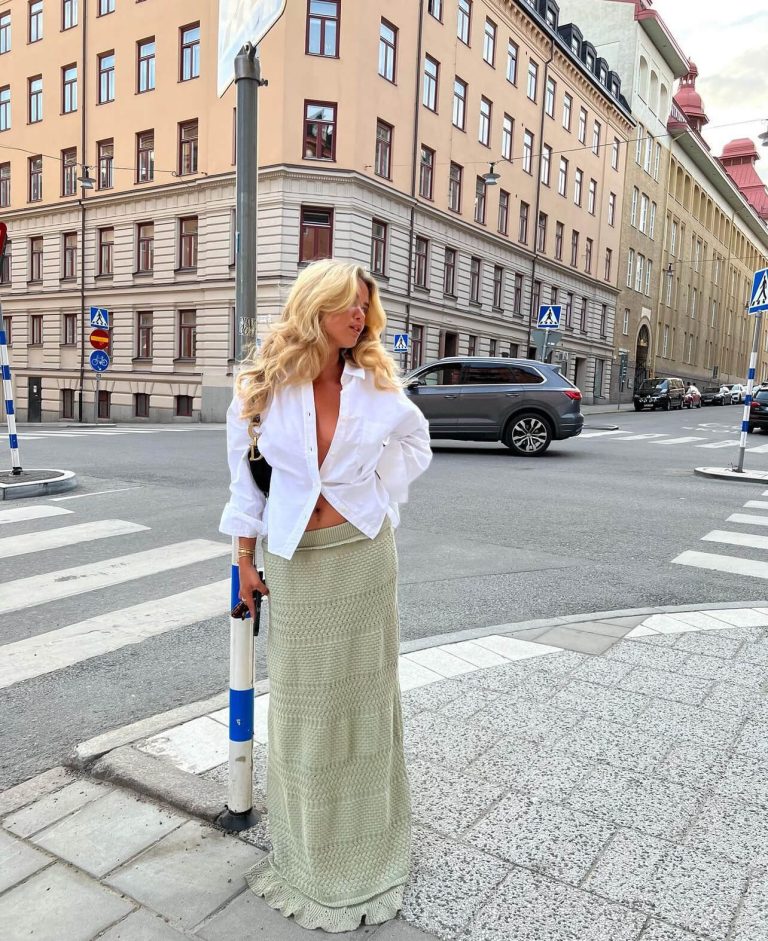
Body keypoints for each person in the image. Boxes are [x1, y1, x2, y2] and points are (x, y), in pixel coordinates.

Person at [219, 258, 432, 933]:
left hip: (362, 555)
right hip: (297, 561)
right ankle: (310, 853)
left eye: (366, 306)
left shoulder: (375, 384)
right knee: (304, 706)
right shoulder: (263, 384)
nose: (360, 316)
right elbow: (245, 484)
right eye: (348, 304)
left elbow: (415, 443)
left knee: (364, 698)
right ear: (316, 306)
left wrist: (372, 492)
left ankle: (369, 845)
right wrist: (244, 560)